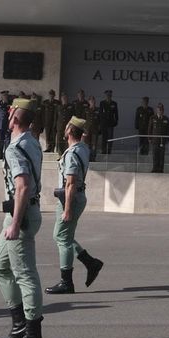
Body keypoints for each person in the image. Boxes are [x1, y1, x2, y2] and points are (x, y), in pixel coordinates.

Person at [0, 97, 46, 338]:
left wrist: (15, 223)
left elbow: (22, 186)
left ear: (13, 116)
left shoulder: (16, 148)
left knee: (25, 275)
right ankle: (19, 325)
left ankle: (33, 336)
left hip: (21, 215)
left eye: (9, 110)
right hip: (23, 212)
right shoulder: (31, 141)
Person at [46, 116, 104, 294]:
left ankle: (67, 282)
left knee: (62, 238)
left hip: (71, 197)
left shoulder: (72, 153)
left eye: (66, 127)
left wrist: (68, 209)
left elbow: (70, 182)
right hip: (75, 195)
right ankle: (90, 262)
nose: (64, 128)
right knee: (63, 236)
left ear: (70, 131)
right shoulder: (82, 148)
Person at [149, 103, 169, 173]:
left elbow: (168, 129)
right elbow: (150, 128)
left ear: (163, 110)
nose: (160, 111)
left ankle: (161, 169)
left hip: (162, 140)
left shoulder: (166, 119)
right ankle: (155, 168)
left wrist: (167, 138)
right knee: (155, 155)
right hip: (155, 140)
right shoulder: (152, 118)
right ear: (157, 110)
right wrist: (149, 138)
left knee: (161, 155)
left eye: (161, 110)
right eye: (159, 109)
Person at [0, 91, 12, 161]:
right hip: (0, 125)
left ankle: (6, 154)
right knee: (0, 140)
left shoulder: (10, 103)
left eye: (6, 95)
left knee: (7, 141)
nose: (5, 97)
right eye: (4, 96)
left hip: (7, 125)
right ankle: (0, 154)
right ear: (2, 96)